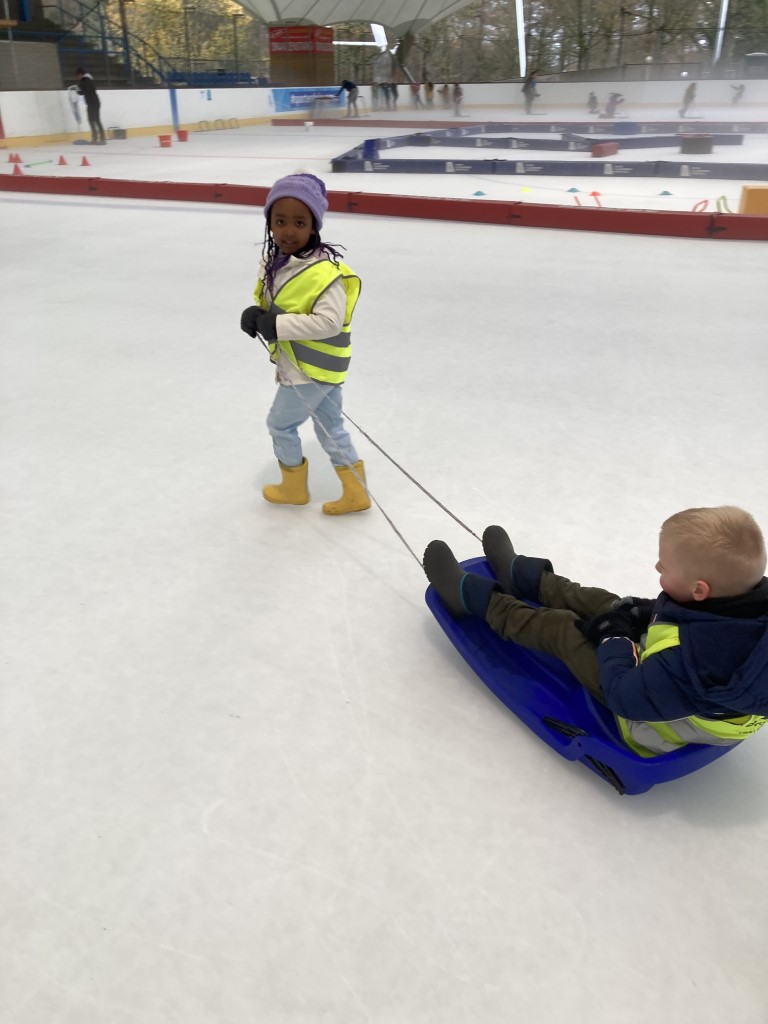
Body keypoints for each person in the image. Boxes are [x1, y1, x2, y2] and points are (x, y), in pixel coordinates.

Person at [423, 506, 768, 756]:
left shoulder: (696, 661)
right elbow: (697, 618)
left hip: (647, 720)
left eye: (665, 567)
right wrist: (641, 611)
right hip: (680, 687)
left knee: (562, 628)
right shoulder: (744, 599)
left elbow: (625, 697)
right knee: (610, 603)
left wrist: (613, 638)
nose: (657, 566)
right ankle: (524, 577)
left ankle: (476, 600)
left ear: (699, 590)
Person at [239, 173, 370, 516]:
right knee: (331, 428)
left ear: (314, 226)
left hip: (309, 371)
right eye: (279, 221)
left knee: (280, 425)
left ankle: (293, 488)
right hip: (317, 369)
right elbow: (279, 301)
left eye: (299, 223)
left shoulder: (325, 274)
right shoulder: (277, 262)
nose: (288, 231)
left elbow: (329, 323)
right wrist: (256, 313)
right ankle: (356, 493)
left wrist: (277, 325)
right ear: (269, 223)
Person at [75, 68, 106, 144]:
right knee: (91, 120)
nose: (77, 78)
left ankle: (102, 138)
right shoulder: (85, 81)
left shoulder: (86, 80)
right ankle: (95, 138)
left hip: (94, 103)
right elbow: (84, 91)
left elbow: (86, 91)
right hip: (91, 103)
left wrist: (78, 90)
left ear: (80, 74)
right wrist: (79, 90)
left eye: (77, 76)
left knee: (96, 119)